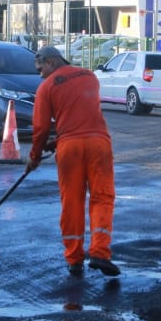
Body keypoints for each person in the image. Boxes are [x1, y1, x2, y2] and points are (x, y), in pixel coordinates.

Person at [26, 45, 120, 277]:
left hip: (70, 149)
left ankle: (74, 259)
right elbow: (82, 114)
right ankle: (99, 252)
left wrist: (35, 156)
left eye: (41, 69)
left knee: (72, 201)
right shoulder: (90, 76)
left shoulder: (46, 87)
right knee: (102, 197)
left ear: (50, 62)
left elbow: (40, 128)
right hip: (99, 143)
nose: (40, 74)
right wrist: (59, 138)